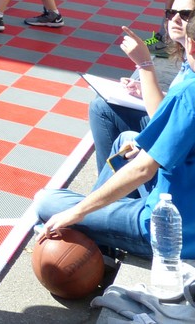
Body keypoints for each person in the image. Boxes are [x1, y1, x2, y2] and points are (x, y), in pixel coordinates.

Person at [36, 17, 195, 260]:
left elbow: (143, 169)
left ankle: (97, 232)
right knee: (127, 140)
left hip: (172, 232)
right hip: (184, 199)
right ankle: (101, 227)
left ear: (191, 45)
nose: (175, 18)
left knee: (46, 201)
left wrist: (78, 213)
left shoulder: (187, 94)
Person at [89, 0, 194, 173]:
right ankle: (111, 182)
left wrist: (145, 65)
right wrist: (143, 89)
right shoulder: (188, 57)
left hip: (179, 155)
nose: (175, 19)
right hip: (177, 135)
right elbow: (178, 105)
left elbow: (161, 118)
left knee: (112, 122)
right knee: (102, 106)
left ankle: (114, 186)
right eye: (171, 13)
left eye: (185, 14)